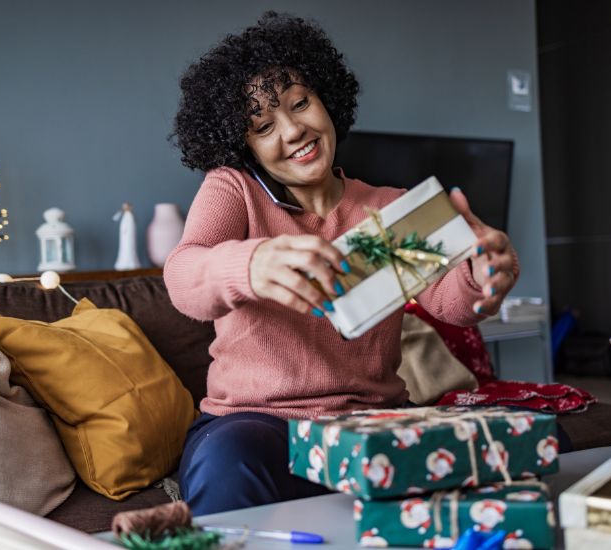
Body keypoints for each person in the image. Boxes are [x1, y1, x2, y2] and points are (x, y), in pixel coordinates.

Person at [164, 12, 519, 515]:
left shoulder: (388, 207)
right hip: (255, 425)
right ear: (243, 145)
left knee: (509, 449)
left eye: (300, 103)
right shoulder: (234, 190)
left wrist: (483, 275)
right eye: (263, 125)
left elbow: (451, 301)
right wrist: (251, 264)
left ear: (326, 98)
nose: (292, 131)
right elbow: (183, 276)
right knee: (228, 459)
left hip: (373, 421)